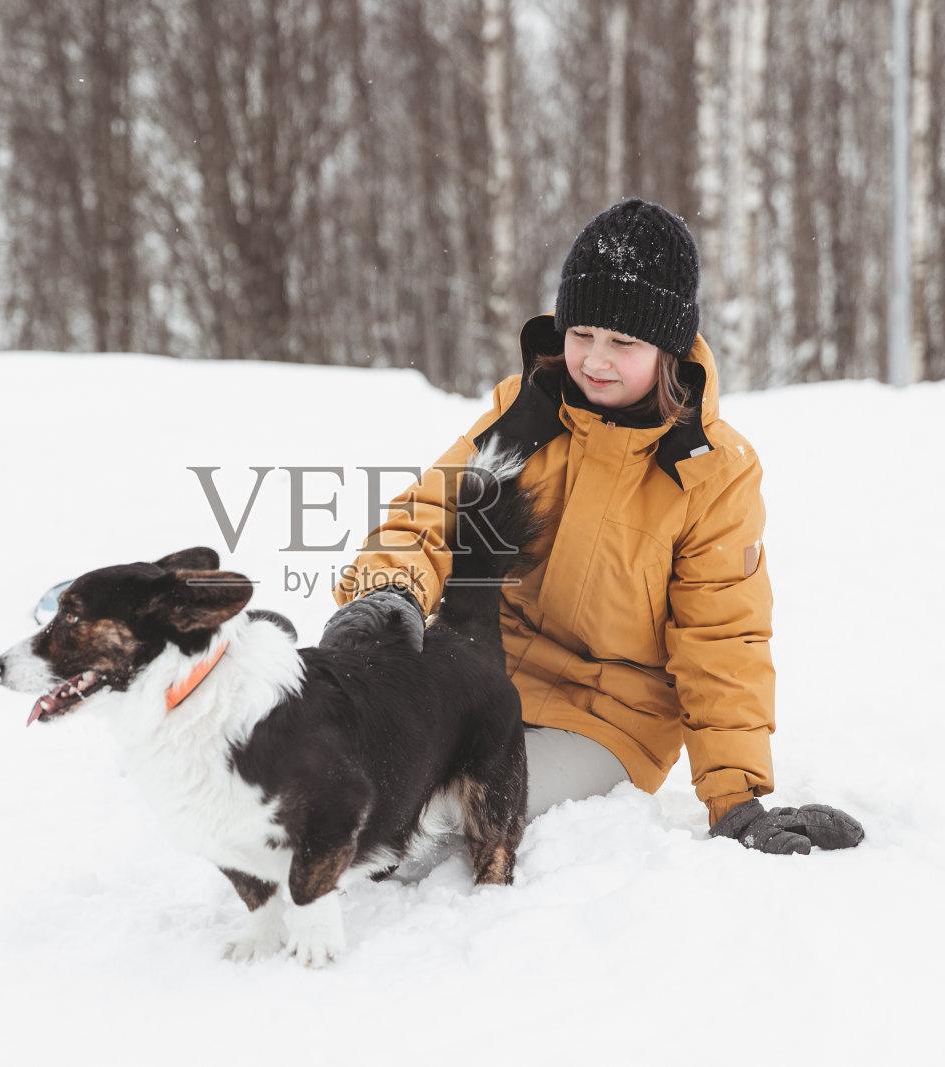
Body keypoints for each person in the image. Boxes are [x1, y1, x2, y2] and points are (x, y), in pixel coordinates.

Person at [321, 199, 863, 855]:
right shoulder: (526, 414)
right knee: (342, 744)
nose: (595, 360)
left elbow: (721, 638)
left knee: (442, 794)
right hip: (483, 674)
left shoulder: (713, 473)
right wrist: (390, 593)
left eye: (623, 342)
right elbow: (434, 516)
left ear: (666, 348)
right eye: (581, 335)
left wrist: (737, 798)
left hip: (608, 720)